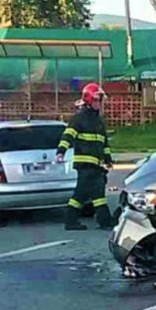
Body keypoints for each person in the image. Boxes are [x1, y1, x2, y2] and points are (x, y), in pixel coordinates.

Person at [56, 83, 115, 230]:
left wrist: (108, 159)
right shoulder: (79, 118)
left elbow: (104, 143)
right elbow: (68, 136)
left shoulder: (98, 121)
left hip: (95, 165)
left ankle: (102, 221)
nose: (99, 103)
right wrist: (60, 152)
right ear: (89, 100)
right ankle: (76, 221)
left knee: (94, 194)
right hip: (84, 165)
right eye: (96, 100)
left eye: (100, 100)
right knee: (85, 194)